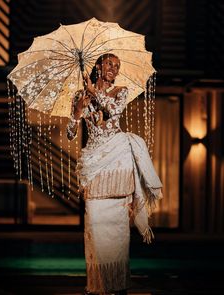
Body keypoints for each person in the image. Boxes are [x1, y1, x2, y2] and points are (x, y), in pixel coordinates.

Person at [66, 53, 163, 295]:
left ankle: (118, 284)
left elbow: (114, 112)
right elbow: (70, 133)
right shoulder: (80, 96)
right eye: (109, 64)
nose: (114, 69)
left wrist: (95, 92)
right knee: (95, 223)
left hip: (117, 159)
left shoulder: (121, 90)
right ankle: (97, 283)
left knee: (119, 227)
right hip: (95, 163)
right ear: (99, 65)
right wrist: (78, 110)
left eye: (117, 66)